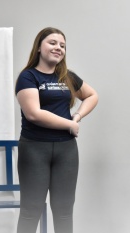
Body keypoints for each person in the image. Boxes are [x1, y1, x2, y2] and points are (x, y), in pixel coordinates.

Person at [15, 27, 98, 233]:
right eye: (52, 43)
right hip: (34, 149)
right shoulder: (28, 77)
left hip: (66, 151)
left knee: (63, 211)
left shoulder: (67, 76)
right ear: (39, 47)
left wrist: (76, 116)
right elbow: (34, 113)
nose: (58, 48)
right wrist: (69, 124)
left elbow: (92, 95)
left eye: (62, 45)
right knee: (30, 210)